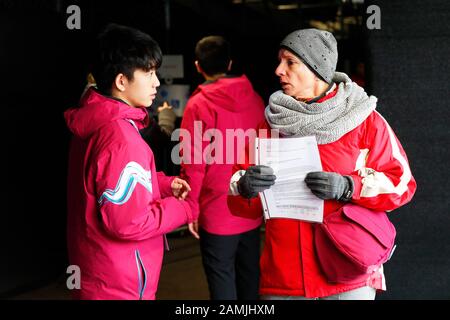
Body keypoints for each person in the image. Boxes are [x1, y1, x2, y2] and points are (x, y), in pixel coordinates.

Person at [227, 28, 417, 300]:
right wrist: (245, 187)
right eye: (280, 61)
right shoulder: (269, 126)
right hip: (284, 277)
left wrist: (350, 186)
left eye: (290, 62)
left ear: (317, 68)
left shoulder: (364, 120)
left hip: (348, 274)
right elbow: (239, 201)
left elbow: (402, 184)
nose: (279, 70)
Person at [64, 23, 195, 300]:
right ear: (121, 81)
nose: (157, 82)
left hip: (98, 272)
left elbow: (106, 185)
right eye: (148, 73)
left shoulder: (96, 120)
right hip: (120, 285)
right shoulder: (120, 138)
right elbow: (129, 223)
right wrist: (185, 209)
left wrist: (164, 184)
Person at [180, 36, 266, 299]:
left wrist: (191, 207)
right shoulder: (256, 99)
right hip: (251, 206)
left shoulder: (197, 105)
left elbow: (193, 164)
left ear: (197, 66)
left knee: (222, 281)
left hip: (216, 210)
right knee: (250, 278)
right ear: (229, 63)